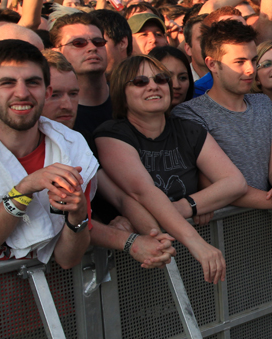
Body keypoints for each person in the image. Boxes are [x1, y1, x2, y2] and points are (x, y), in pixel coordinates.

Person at [94, 55, 248, 283]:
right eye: (139, 82)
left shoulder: (189, 129)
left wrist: (189, 205)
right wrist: (198, 242)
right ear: (121, 94)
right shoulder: (111, 133)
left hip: (191, 260)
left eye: (160, 79)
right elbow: (141, 193)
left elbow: (235, 182)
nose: (153, 85)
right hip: (141, 264)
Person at [172, 20, 272, 245]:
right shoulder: (189, 114)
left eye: (254, 60)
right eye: (239, 62)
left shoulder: (264, 103)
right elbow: (211, 184)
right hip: (219, 239)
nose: (250, 69)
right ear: (212, 64)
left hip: (269, 235)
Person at [41, 50, 176, 269]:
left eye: (73, 94)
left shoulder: (77, 140)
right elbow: (56, 225)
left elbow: (119, 197)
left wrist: (154, 237)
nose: (67, 104)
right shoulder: (18, 147)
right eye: (54, 95)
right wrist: (130, 240)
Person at [0, 41, 96, 267]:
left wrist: (78, 217)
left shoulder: (71, 148)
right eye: (7, 83)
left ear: (46, 92)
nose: (22, 93)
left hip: (50, 298)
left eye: (33, 82)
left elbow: (68, 260)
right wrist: (25, 188)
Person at [50, 12, 112, 142]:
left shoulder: (129, 99)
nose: (92, 48)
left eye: (98, 42)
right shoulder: (52, 110)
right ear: (56, 52)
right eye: (78, 43)